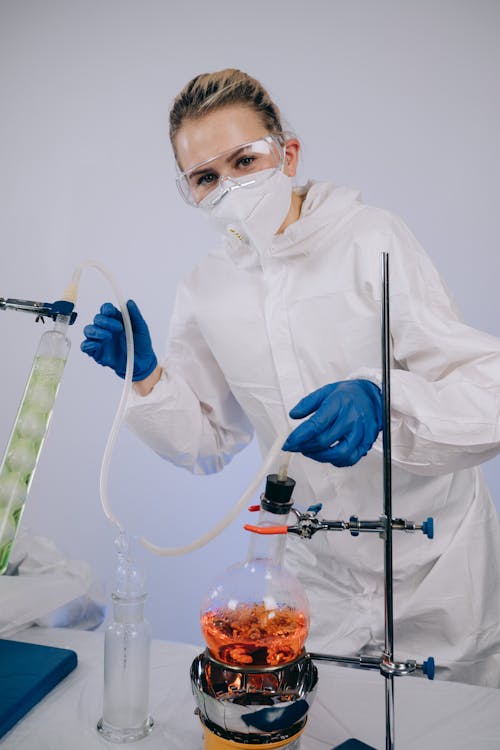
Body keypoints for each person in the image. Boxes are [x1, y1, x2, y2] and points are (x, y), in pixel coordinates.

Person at [81, 68, 500, 687]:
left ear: (288, 154)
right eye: (206, 177)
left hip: (436, 565)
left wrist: (386, 401)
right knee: (322, 717)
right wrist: (145, 378)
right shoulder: (206, 290)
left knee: (450, 725)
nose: (228, 187)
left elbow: (487, 391)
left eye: (244, 160)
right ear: (189, 190)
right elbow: (208, 443)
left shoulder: (371, 240)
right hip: (315, 574)